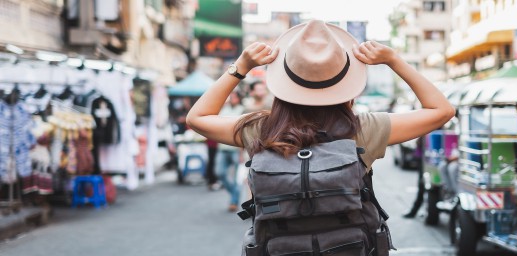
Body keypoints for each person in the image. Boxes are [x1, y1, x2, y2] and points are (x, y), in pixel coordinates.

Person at [186, 20, 454, 253]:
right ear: (345, 81)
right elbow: (442, 110)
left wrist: (240, 67)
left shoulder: (261, 129)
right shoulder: (364, 129)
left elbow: (197, 118)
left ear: (284, 80)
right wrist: (395, 61)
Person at [214, 91, 244, 211]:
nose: (232, 98)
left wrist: (242, 151)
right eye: (231, 96)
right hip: (223, 147)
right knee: (220, 172)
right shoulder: (224, 109)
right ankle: (234, 193)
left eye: (234, 96)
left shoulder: (242, 109)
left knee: (237, 177)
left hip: (236, 149)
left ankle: (234, 201)